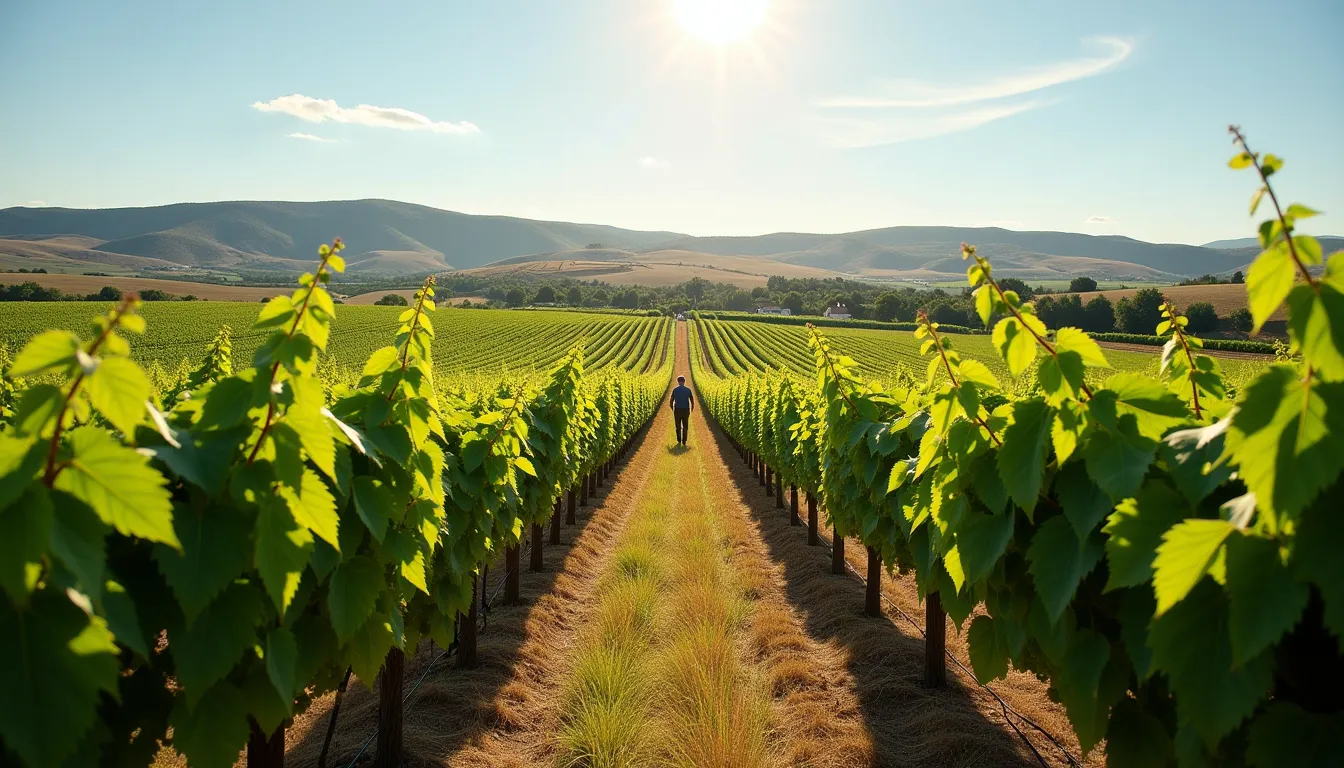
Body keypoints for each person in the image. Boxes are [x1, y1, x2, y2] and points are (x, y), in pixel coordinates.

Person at [670, 375, 694, 446]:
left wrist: (672, 408)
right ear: (684, 381)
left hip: (677, 410)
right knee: (685, 426)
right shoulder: (688, 390)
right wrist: (692, 408)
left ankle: (679, 440)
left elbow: (671, 401)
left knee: (678, 426)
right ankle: (684, 441)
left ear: (678, 382)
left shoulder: (675, 390)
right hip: (686, 410)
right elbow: (692, 400)